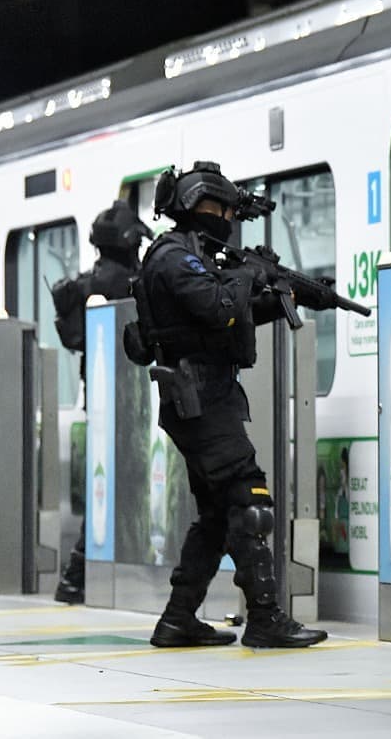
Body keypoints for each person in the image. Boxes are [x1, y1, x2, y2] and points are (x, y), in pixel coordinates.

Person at [128, 160, 327, 649]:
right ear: (198, 206)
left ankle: (178, 619)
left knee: (217, 516)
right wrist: (249, 275)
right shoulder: (174, 257)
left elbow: (223, 320)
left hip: (206, 395)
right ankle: (264, 617)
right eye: (221, 208)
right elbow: (217, 306)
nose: (227, 219)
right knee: (248, 498)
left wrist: (280, 296)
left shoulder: (190, 255)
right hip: (198, 398)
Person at [52, 200, 152, 604]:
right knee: (120, 482)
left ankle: (78, 576)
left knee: (109, 483)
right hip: (127, 399)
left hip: (101, 398)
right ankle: (77, 574)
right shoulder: (126, 284)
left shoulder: (86, 283)